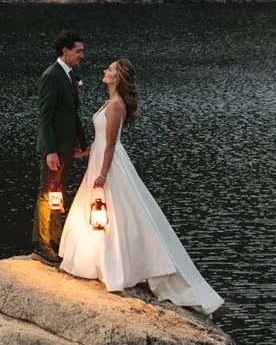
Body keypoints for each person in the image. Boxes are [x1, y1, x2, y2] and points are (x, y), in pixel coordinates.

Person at [59, 57, 222, 314]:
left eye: (110, 69)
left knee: (112, 213)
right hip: (100, 157)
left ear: (118, 78)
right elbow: (103, 140)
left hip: (108, 163)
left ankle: (115, 266)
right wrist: (88, 151)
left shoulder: (115, 105)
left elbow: (112, 144)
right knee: (102, 213)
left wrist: (102, 174)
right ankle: (97, 262)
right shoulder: (109, 101)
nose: (105, 70)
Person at [33, 31, 88, 262]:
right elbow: (45, 116)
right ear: (65, 51)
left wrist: (81, 145)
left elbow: (71, 114)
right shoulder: (51, 76)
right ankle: (41, 244)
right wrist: (50, 151)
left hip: (66, 148)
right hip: (54, 150)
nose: (82, 56)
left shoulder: (69, 74)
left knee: (58, 195)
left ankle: (56, 240)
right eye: (78, 51)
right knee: (47, 194)